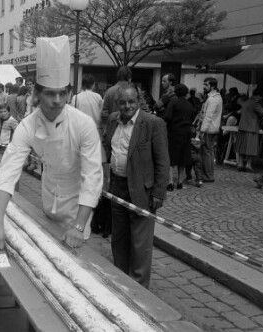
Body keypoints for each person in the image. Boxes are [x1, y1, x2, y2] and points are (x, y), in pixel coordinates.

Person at [0, 35, 103, 250]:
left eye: (62, 94)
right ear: (38, 94)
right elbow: (8, 170)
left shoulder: (83, 125)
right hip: (49, 201)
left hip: (78, 208)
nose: (57, 100)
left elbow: (92, 178)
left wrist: (78, 226)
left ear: (68, 93)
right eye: (50, 94)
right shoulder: (28, 125)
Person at [105, 85, 169, 288]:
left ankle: (139, 289)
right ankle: (120, 282)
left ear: (139, 101)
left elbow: (162, 161)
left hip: (142, 191)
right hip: (117, 188)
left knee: (140, 245)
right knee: (119, 240)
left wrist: (159, 192)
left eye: (131, 101)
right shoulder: (113, 120)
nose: (127, 106)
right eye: (122, 102)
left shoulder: (153, 123)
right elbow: (108, 148)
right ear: (117, 103)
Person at [162, 83, 195, 190]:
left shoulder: (173, 102)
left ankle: (170, 182)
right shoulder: (189, 105)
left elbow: (167, 116)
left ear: (176, 92)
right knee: (183, 157)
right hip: (186, 132)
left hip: (174, 132)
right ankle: (180, 182)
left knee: (171, 157)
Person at [70, 74, 106, 163]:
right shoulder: (98, 97)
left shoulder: (76, 97)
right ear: (93, 84)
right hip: (96, 130)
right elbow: (102, 114)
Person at [197, 77, 223, 183]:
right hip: (213, 128)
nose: (204, 86)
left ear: (212, 86)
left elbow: (208, 116)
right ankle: (209, 174)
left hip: (209, 129)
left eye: (206, 85)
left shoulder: (212, 99)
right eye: (204, 84)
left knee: (207, 152)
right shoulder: (218, 97)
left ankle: (207, 175)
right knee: (210, 152)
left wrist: (202, 130)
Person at [235, 91, 263, 172]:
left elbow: (239, 112)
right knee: (251, 147)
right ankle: (248, 164)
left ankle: (240, 163)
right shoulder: (255, 103)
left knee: (241, 146)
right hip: (252, 127)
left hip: (242, 126)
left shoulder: (246, 102)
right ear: (258, 96)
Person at [0, 104, 19, 173]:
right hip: (0, 147)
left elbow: (18, 132)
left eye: (4, 111)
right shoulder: (0, 120)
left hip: (8, 149)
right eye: (1, 112)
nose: (3, 114)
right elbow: (0, 131)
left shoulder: (12, 121)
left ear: (8, 112)